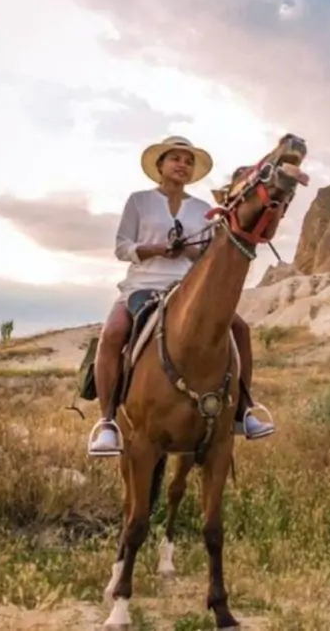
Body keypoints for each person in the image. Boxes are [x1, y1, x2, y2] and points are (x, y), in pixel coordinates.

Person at [87, 135, 274, 457]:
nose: (182, 165)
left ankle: (244, 408)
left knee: (240, 328)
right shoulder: (138, 201)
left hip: (187, 286)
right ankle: (107, 423)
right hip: (142, 284)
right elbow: (122, 247)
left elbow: (210, 254)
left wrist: (191, 251)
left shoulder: (203, 209)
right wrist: (156, 249)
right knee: (113, 334)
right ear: (160, 165)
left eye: (188, 161)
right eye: (175, 159)